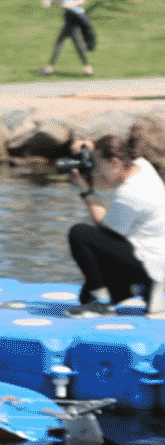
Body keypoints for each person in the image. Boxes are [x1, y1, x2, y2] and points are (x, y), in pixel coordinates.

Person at [65, 135, 165, 318]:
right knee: (85, 297)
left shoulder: (130, 193)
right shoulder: (143, 166)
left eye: (99, 165)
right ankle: (144, 288)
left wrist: (83, 187)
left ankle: (103, 304)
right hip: (156, 258)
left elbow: (103, 225)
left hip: (146, 260)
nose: (97, 171)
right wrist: (88, 148)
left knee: (79, 233)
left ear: (115, 163)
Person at [38, 0, 95, 77]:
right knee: (76, 42)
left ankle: (49, 68)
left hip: (75, 15)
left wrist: (70, 5)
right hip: (68, 15)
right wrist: (52, 1)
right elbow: (64, 1)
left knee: (60, 41)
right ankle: (87, 68)